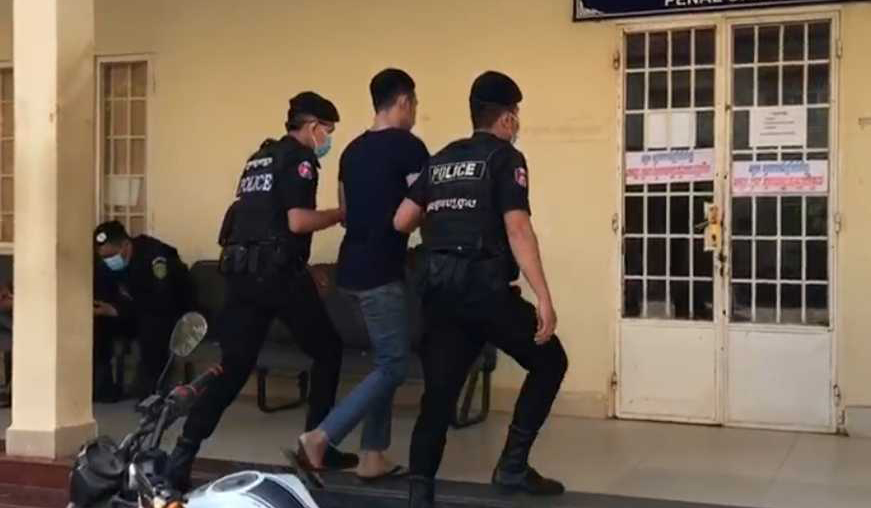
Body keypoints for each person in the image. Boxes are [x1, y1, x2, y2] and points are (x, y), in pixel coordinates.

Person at [164, 92, 358, 491]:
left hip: (242, 274)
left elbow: (259, 223)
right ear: (313, 127)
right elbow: (297, 222)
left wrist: (304, 267)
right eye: (328, 131)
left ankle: (182, 454)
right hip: (277, 277)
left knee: (233, 368)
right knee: (328, 350)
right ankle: (316, 448)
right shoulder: (301, 160)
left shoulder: (260, 158)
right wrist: (340, 214)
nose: (327, 139)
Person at [393, 71, 569, 507]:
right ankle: (512, 466)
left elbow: (401, 220)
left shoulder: (440, 159)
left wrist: (445, 213)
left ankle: (419, 492)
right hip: (486, 293)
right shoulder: (506, 158)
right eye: (516, 115)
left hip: (440, 293)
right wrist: (544, 297)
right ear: (506, 118)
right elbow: (518, 228)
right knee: (550, 361)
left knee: (438, 395)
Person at [294, 69, 429, 481]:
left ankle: (372, 456)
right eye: (414, 104)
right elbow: (417, 213)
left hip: (348, 272)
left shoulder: (351, 151)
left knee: (384, 361)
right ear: (403, 101)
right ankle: (321, 437)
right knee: (394, 366)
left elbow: (346, 211)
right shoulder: (410, 147)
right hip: (381, 271)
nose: (415, 112)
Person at [94, 220, 194, 399]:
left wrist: (118, 310)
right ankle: (102, 386)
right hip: (136, 312)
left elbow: (162, 302)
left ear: (125, 245)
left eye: (111, 255)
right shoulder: (107, 264)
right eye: (103, 257)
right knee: (96, 323)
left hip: (171, 314)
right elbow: (105, 293)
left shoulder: (156, 257)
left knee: (152, 324)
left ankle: (151, 388)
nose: (108, 261)